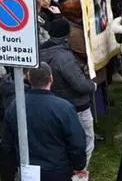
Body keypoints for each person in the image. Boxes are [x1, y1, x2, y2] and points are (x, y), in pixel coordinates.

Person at [3, 63, 86, 181]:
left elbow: (7, 144)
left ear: (28, 79)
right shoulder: (64, 108)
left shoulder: (15, 106)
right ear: (51, 79)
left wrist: (12, 170)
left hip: (27, 170)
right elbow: (77, 143)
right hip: (57, 170)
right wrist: (79, 166)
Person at [39, 18, 96, 170]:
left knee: (63, 141)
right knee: (85, 141)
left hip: (53, 104)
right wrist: (92, 85)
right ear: (67, 35)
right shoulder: (64, 57)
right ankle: (80, 174)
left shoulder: (41, 52)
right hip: (77, 106)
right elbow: (79, 84)